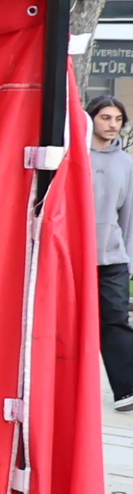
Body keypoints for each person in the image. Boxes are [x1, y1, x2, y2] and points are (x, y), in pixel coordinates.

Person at [89, 95, 133, 405]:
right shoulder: (72, 156)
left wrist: (128, 260)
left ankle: (127, 390)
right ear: (91, 118)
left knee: (115, 318)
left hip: (112, 259)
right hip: (73, 257)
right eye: (106, 117)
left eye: (117, 120)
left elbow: (128, 216)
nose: (112, 125)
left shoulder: (126, 164)